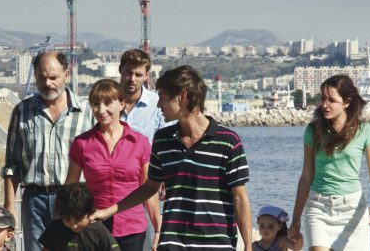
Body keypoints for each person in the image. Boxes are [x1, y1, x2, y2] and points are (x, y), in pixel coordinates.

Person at [91, 65, 253, 250]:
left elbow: (239, 197)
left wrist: (248, 246)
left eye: (162, 97)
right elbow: (149, 188)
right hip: (172, 244)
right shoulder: (162, 140)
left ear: (182, 96)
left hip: (216, 244)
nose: (158, 104)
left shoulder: (228, 142)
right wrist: (108, 212)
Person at [3, 51, 95, 251]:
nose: (47, 83)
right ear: (35, 76)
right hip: (35, 201)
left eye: (53, 77)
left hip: (75, 202)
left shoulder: (87, 112)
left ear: (67, 75)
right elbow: (12, 164)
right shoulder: (22, 112)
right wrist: (9, 206)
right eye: (42, 78)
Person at [289, 74, 370, 250]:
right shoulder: (313, 131)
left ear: (346, 102)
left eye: (331, 100)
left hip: (352, 209)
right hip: (319, 208)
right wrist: (296, 219)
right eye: (323, 99)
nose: (325, 105)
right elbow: (306, 176)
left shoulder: (366, 132)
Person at [65, 79, 161, 251]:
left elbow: (148, 189)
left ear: (122, 103)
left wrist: (158, 226)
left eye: (108, 103)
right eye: (96, 104)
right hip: (94, 226)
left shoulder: (140, 142)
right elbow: (70, 187)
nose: (101, 110)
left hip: (132, 227)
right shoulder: (82, 143)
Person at [118, 49, 166, 250]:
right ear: (120, 70)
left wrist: (164, 179)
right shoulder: (107, 102)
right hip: (113, 187)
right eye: (128, 72)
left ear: (147, 76)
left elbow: (165, 144)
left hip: (147, 186)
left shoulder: (156, 105)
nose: (132, 79)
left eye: (138, 74)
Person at [39, 183, 120, 251]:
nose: (74, 225)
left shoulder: (99, 232)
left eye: (78, 219)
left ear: (90, 213)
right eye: (67, 219)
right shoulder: (55, 228)